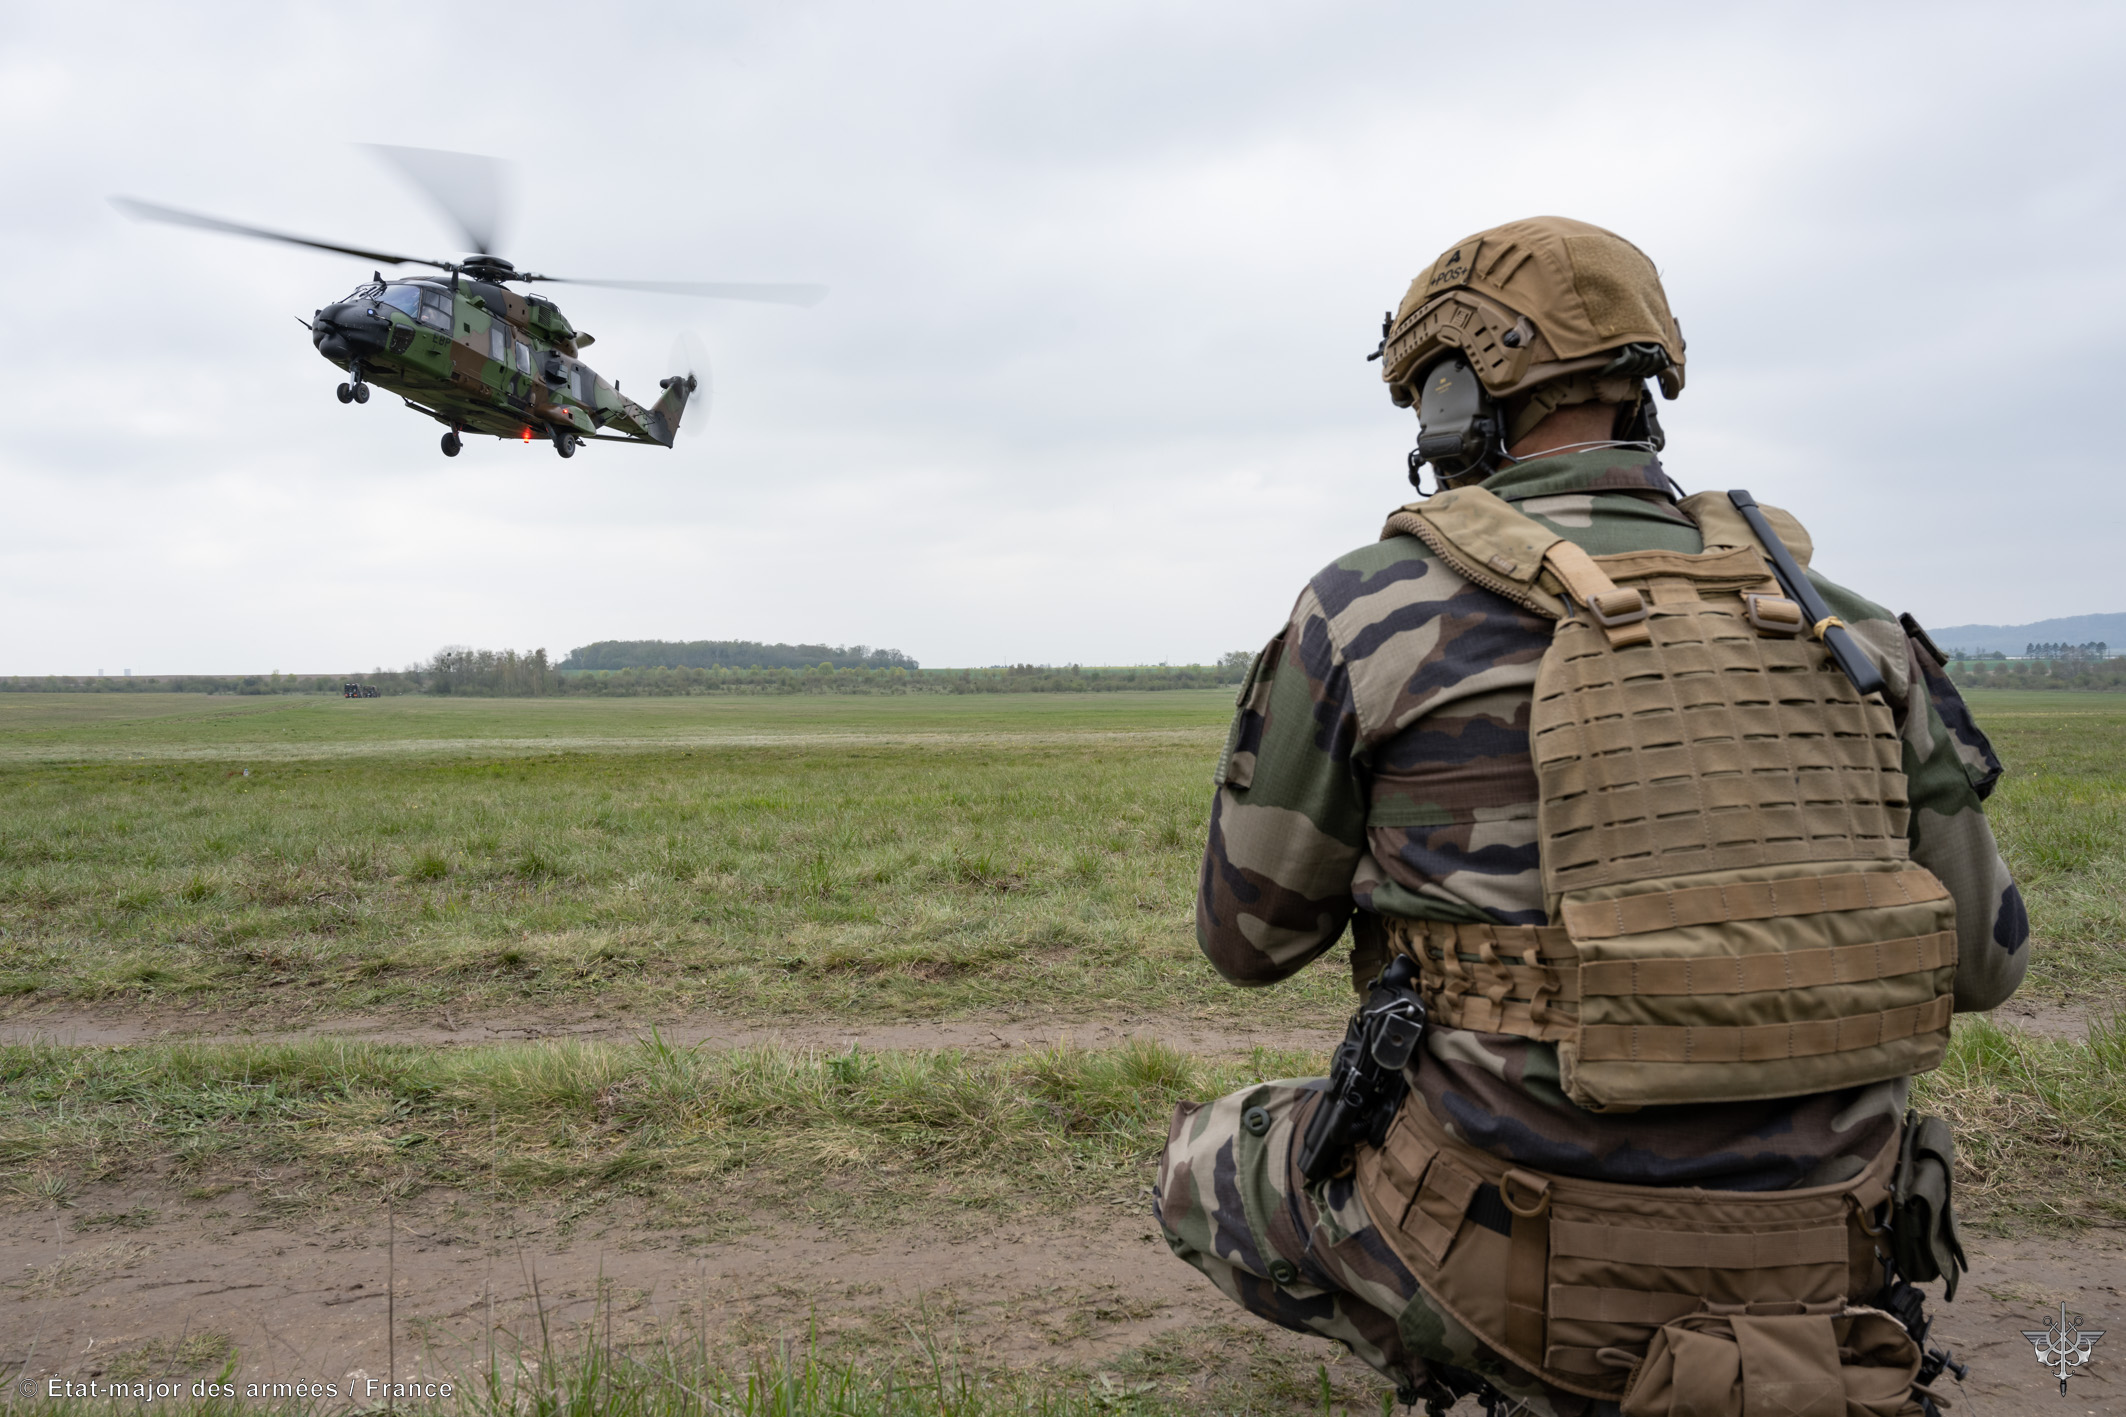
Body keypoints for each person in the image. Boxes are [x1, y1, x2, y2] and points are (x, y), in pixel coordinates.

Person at [1154, 216, 2027, 1416]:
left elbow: (1243, 945)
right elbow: (1983, 966)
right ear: (1643, 389)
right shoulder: (1843, 625)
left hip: (1507, 1270)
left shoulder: (1368, 611)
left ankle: (1483, 1374)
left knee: (1202, 1158)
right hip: (1833, 1257)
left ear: (1455, 398)